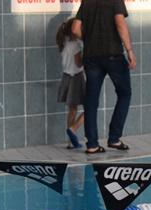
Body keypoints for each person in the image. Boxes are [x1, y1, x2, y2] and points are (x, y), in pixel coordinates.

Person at [72, 0, 136, 155]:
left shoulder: (86, 2)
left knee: (91, 101)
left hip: (91, 56)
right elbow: (120, 24)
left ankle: (92, 144)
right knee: (124, 93)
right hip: (113, 54)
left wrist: (88, 39)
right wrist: (129, 50)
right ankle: (114, 138)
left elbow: (75, 29)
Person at [56, 18, 86, 150]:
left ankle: (70, 141)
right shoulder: (75, 45)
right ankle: (73, 129)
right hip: (76, 78)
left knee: (72, 110)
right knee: (90, 108)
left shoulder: (64, 43)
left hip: (66, 77)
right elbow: (79, 63)